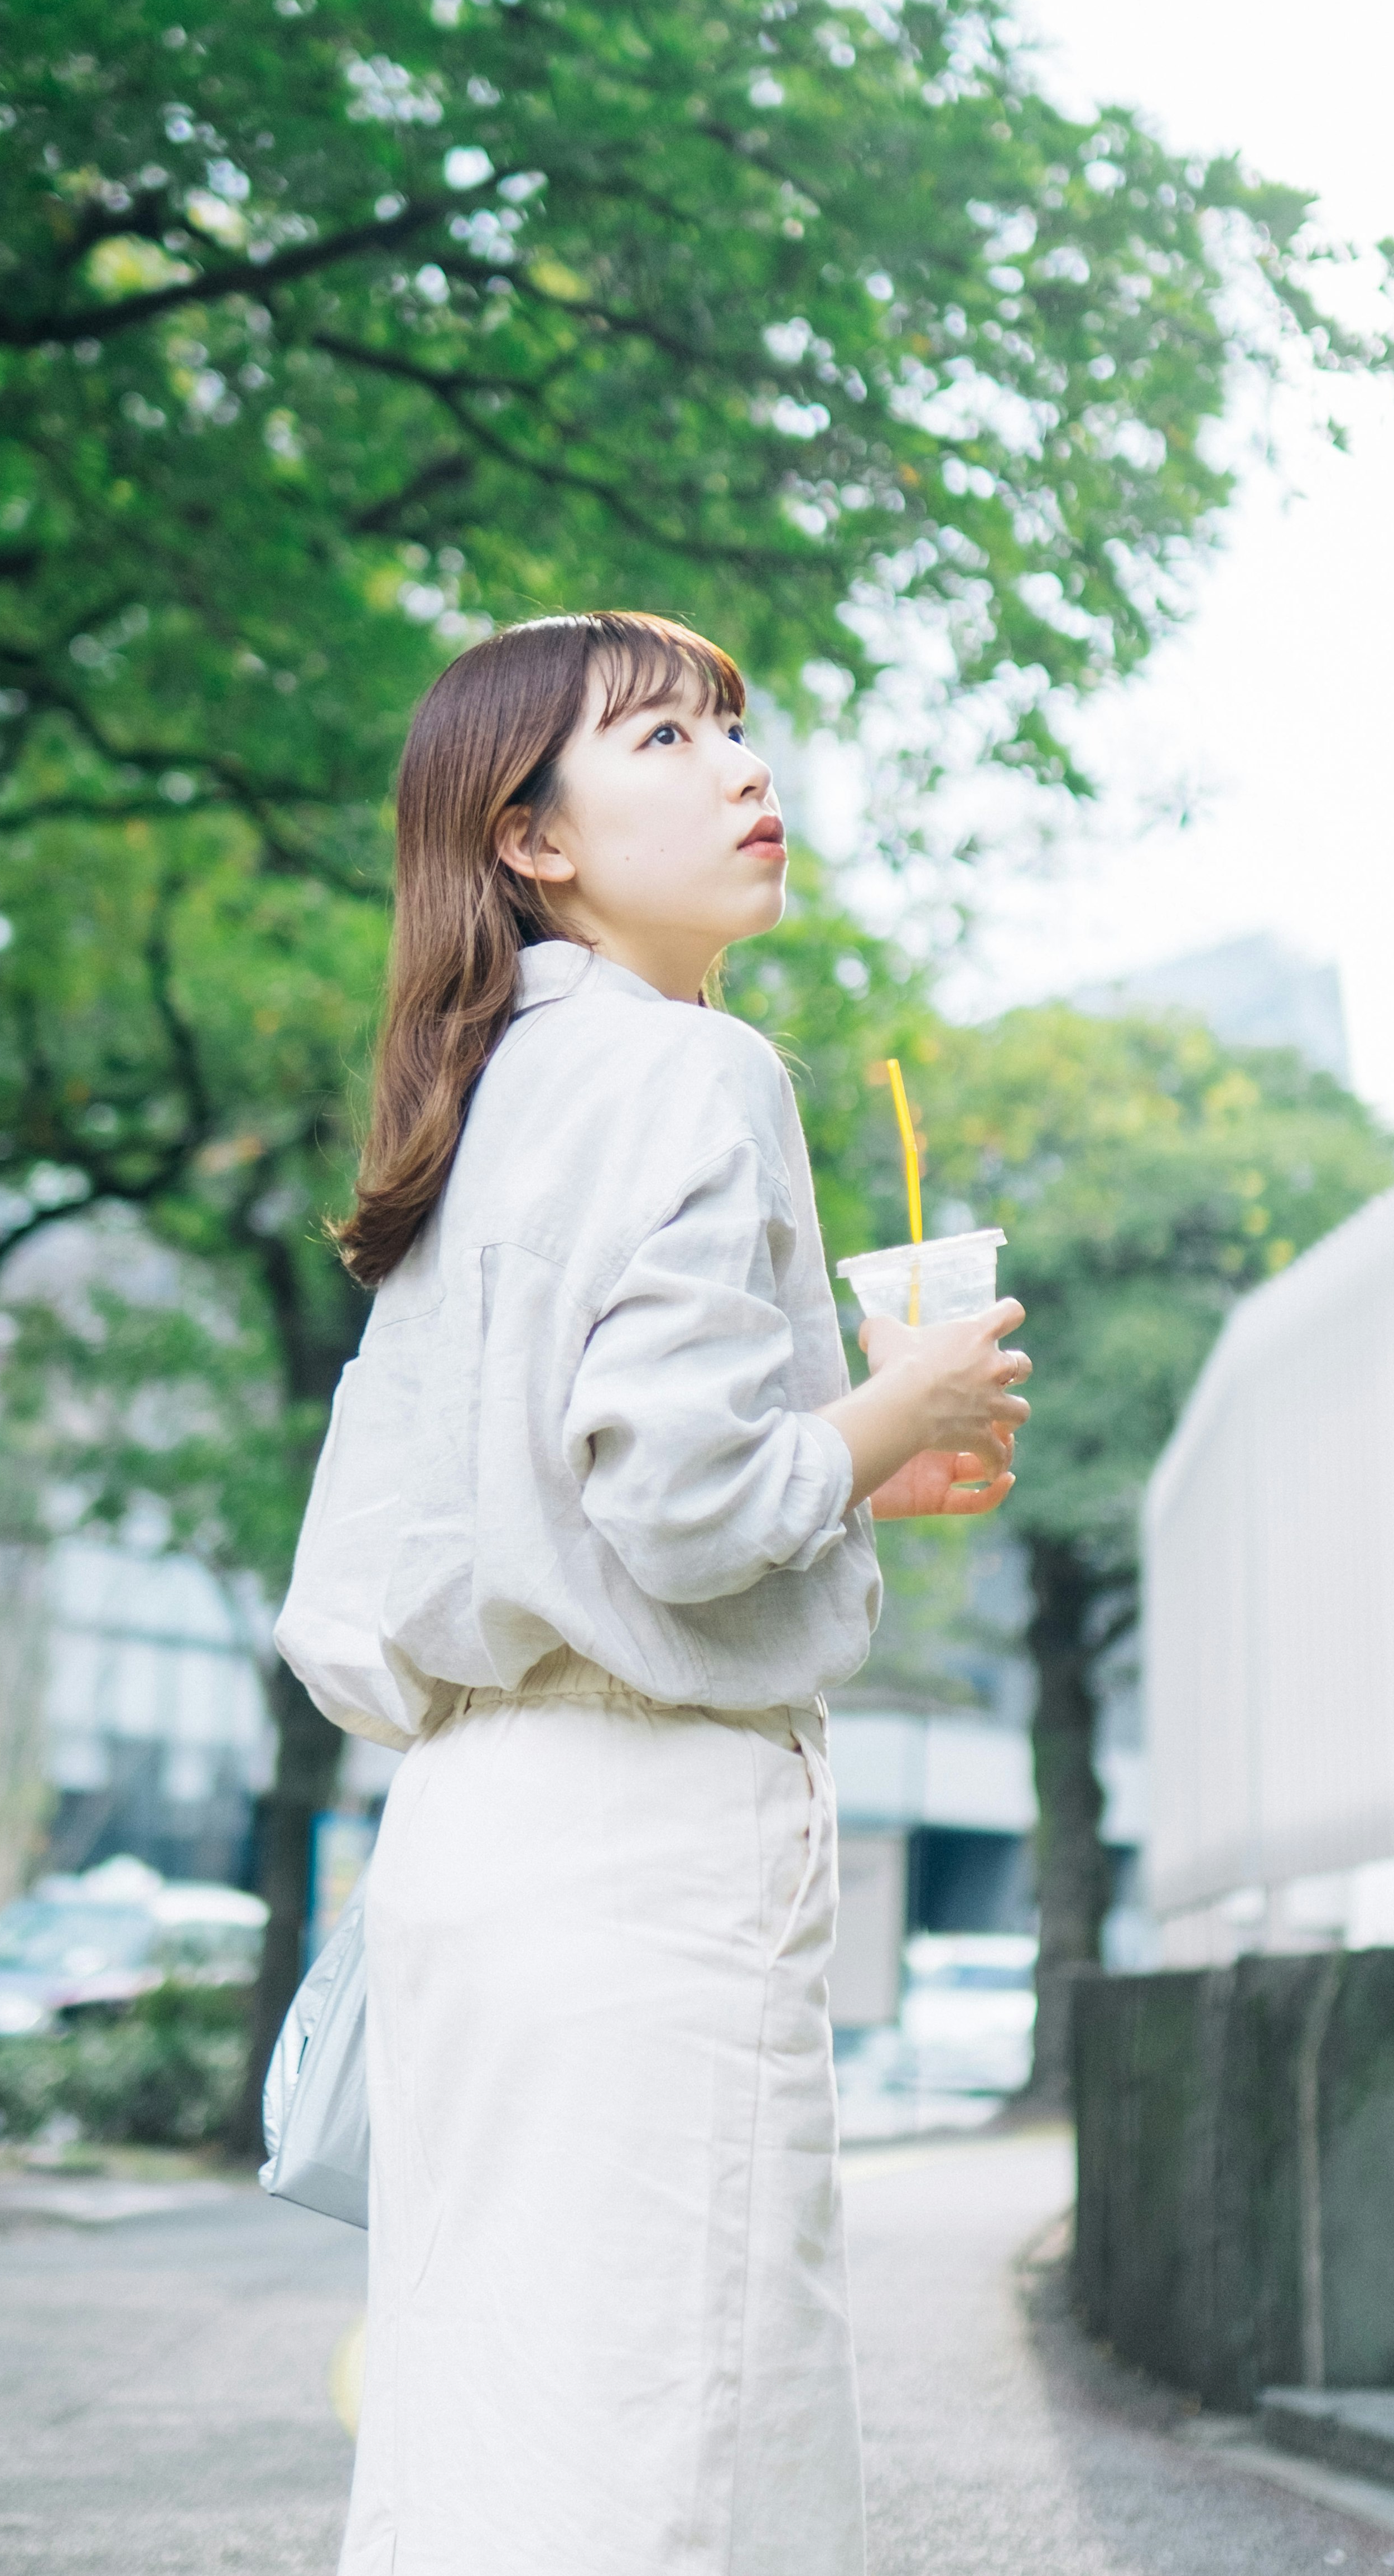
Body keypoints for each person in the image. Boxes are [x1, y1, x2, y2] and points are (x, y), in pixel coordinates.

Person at [276, 609, 1030, 2576]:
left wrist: (855, 1460)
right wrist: (898, 1406)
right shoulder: (694, 1074)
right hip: (646, 1847)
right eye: (671, 739)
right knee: (677, 2446)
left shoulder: (475, 1095)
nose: (745, 770)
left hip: (465, 1839)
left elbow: (450, 1532)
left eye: (736, 731)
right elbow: (689, 1511)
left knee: (492, 2445)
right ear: (533, 839)